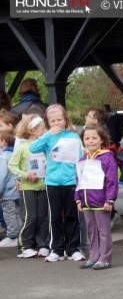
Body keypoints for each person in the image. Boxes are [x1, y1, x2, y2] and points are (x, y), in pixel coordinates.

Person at [29, 104, 84, 262]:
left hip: (70, 181)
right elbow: (33, 148)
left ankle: (73, 248)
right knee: (55, 216)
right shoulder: (47, 137)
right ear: (48, 123)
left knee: (71, 215)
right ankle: (57, 249)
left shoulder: (73, 137)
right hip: (52, 181)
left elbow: (80, 158)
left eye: (59, 119)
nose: (56, 123)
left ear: (65, 120)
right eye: (52, 121)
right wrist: (47, 135)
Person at [75, 126, 118, 270]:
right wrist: (78, 199)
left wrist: (109, 200)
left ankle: (105, 258)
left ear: (101, 140)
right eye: (87, 138)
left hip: (101, 202)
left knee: (103, 231)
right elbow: (78, 180)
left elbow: (112, 181)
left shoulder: (107, 157)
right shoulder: (83, 159)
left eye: (94, 138)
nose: (90, 141)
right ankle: (94, 256)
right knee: (91, 231)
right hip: (86, 202)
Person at [8, 114, 49, 258]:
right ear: (33, 130)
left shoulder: (44, 146)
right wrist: (25, 175)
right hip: (27, 187)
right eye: (42, 129)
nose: (45, 131)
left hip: (43, 186)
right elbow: (12, 166)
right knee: (30, 216)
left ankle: (43, 244)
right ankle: (25, 245)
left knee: (43, 216)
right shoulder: (22, 147)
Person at [0, 129, 21, 249]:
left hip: (7, 192)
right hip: (17, 190)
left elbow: (1, 176)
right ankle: (20, 234)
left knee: (9, 214)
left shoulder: (3, 157)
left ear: (3, 142)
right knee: (18, 213)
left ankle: (13, 235)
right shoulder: (15, 154)